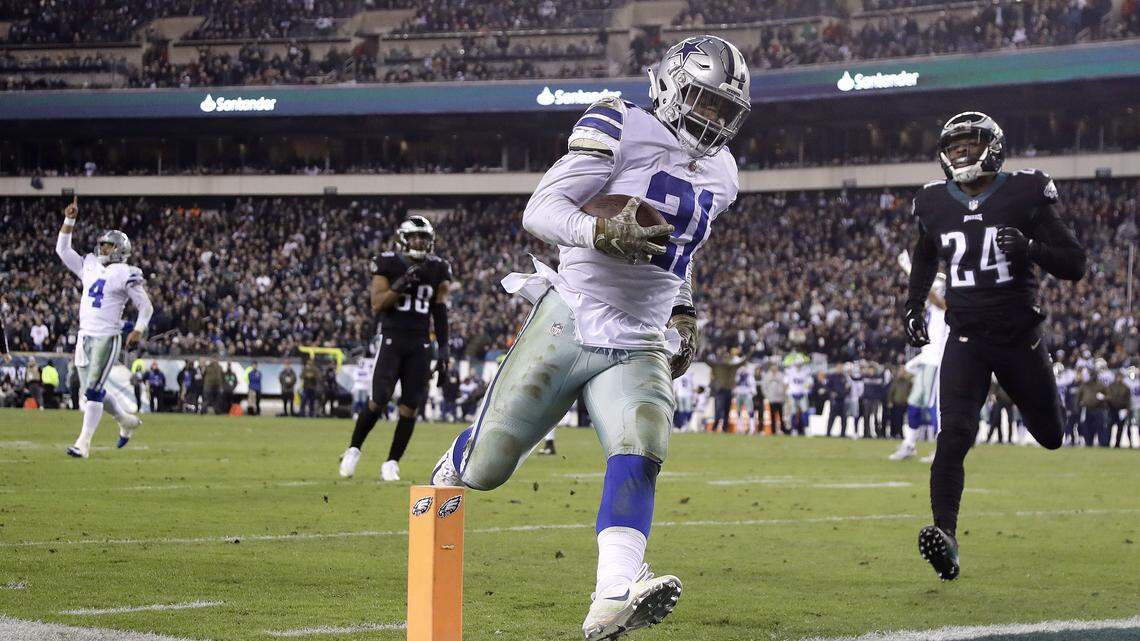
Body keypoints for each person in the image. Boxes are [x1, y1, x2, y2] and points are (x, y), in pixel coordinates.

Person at [429, 35, 751, 639]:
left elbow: (682, 252)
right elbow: (541, 210)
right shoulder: (620, 123)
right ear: (671, 87)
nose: (711, 119)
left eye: (723, 110)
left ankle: (613, 595)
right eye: (702, 101)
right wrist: (597, 233)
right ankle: (453, 465)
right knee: (490, 466)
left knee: (643, 442)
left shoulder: (725, 171)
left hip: (640, 335)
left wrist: (683, 307)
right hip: (572, 313)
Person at [904, 111, 1086, 581]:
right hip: (966, 337)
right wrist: (912, 306)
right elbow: (924, 255)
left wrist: (1030, 248)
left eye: (971, 144)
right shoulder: (931, 202)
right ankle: (945, 536)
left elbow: (1075, 263)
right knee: (953, 437)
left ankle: (1040, 409)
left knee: (1050, 435)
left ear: (993, 147)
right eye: (956, 146)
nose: (962, 153)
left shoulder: (1025, 192)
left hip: (1019, 338)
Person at [339, 215, 452, 482]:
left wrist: (444, 351)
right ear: (403, 239)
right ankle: (354, 449)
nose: (419, 242)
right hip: (391, 338)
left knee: (410, 407)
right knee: (378, 399)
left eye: (424, 238)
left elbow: (440, 309)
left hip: (420, 343)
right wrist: (400, 285)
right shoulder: (387, 262)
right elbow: (378, 304)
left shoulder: (439, 268)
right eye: (414, 237)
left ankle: (391, 462)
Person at [55, 196, 151, 457]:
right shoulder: (90, 265)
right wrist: (69, 220)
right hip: (84, 335)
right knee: (90, 391)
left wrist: (139, 329)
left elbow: (146, 306)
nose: (103, 249)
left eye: (108, 246)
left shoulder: (126, 272)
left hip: (107, 337)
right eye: (103, 245)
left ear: (119, 248)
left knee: (94, 390)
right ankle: (125, 420)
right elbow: (63, 251)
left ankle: (83, 444)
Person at [1106, 370, 1131, 448]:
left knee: (1120, 428)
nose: (1119, 379)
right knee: (1109, 427)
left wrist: (1127, 409)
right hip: (1112, 409)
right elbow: (1108, 397)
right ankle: (1107, 443)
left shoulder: (1126, 387)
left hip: (1122, 410)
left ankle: (1117, 444)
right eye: (1118, 377)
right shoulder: (1111, 386)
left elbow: (1128, 400)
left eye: (1121, 377)